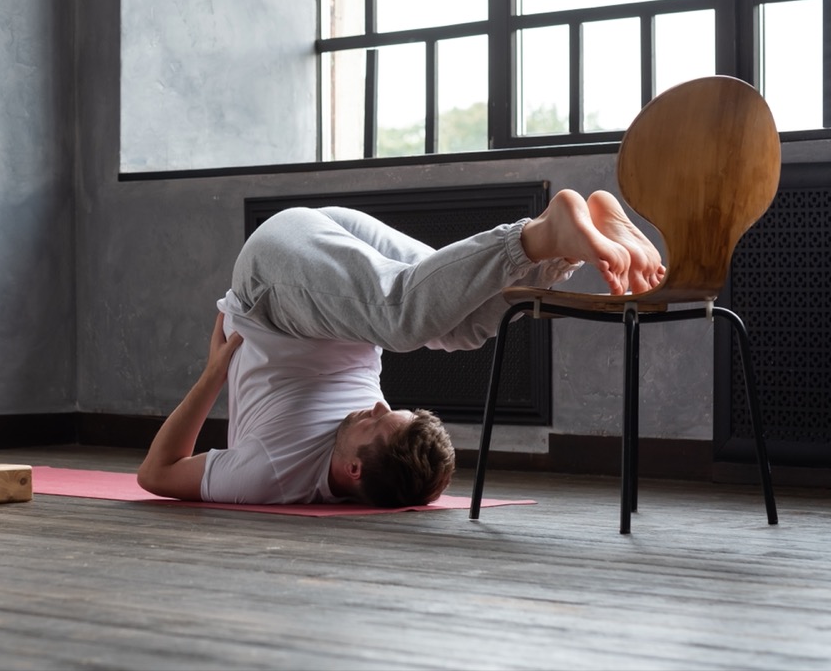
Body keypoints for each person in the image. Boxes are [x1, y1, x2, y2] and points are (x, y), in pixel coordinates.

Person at [137, 189, 665, 508]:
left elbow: (156, 473)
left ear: (354, 472)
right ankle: (572, 245)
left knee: (405, 321)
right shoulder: (365, 450)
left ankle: (547, 237)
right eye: (391, 411)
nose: (376, 404)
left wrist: (212, 376)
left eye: (376, 421)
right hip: (324, 270)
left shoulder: (269, 475)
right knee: (456, 330)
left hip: (271, 283)